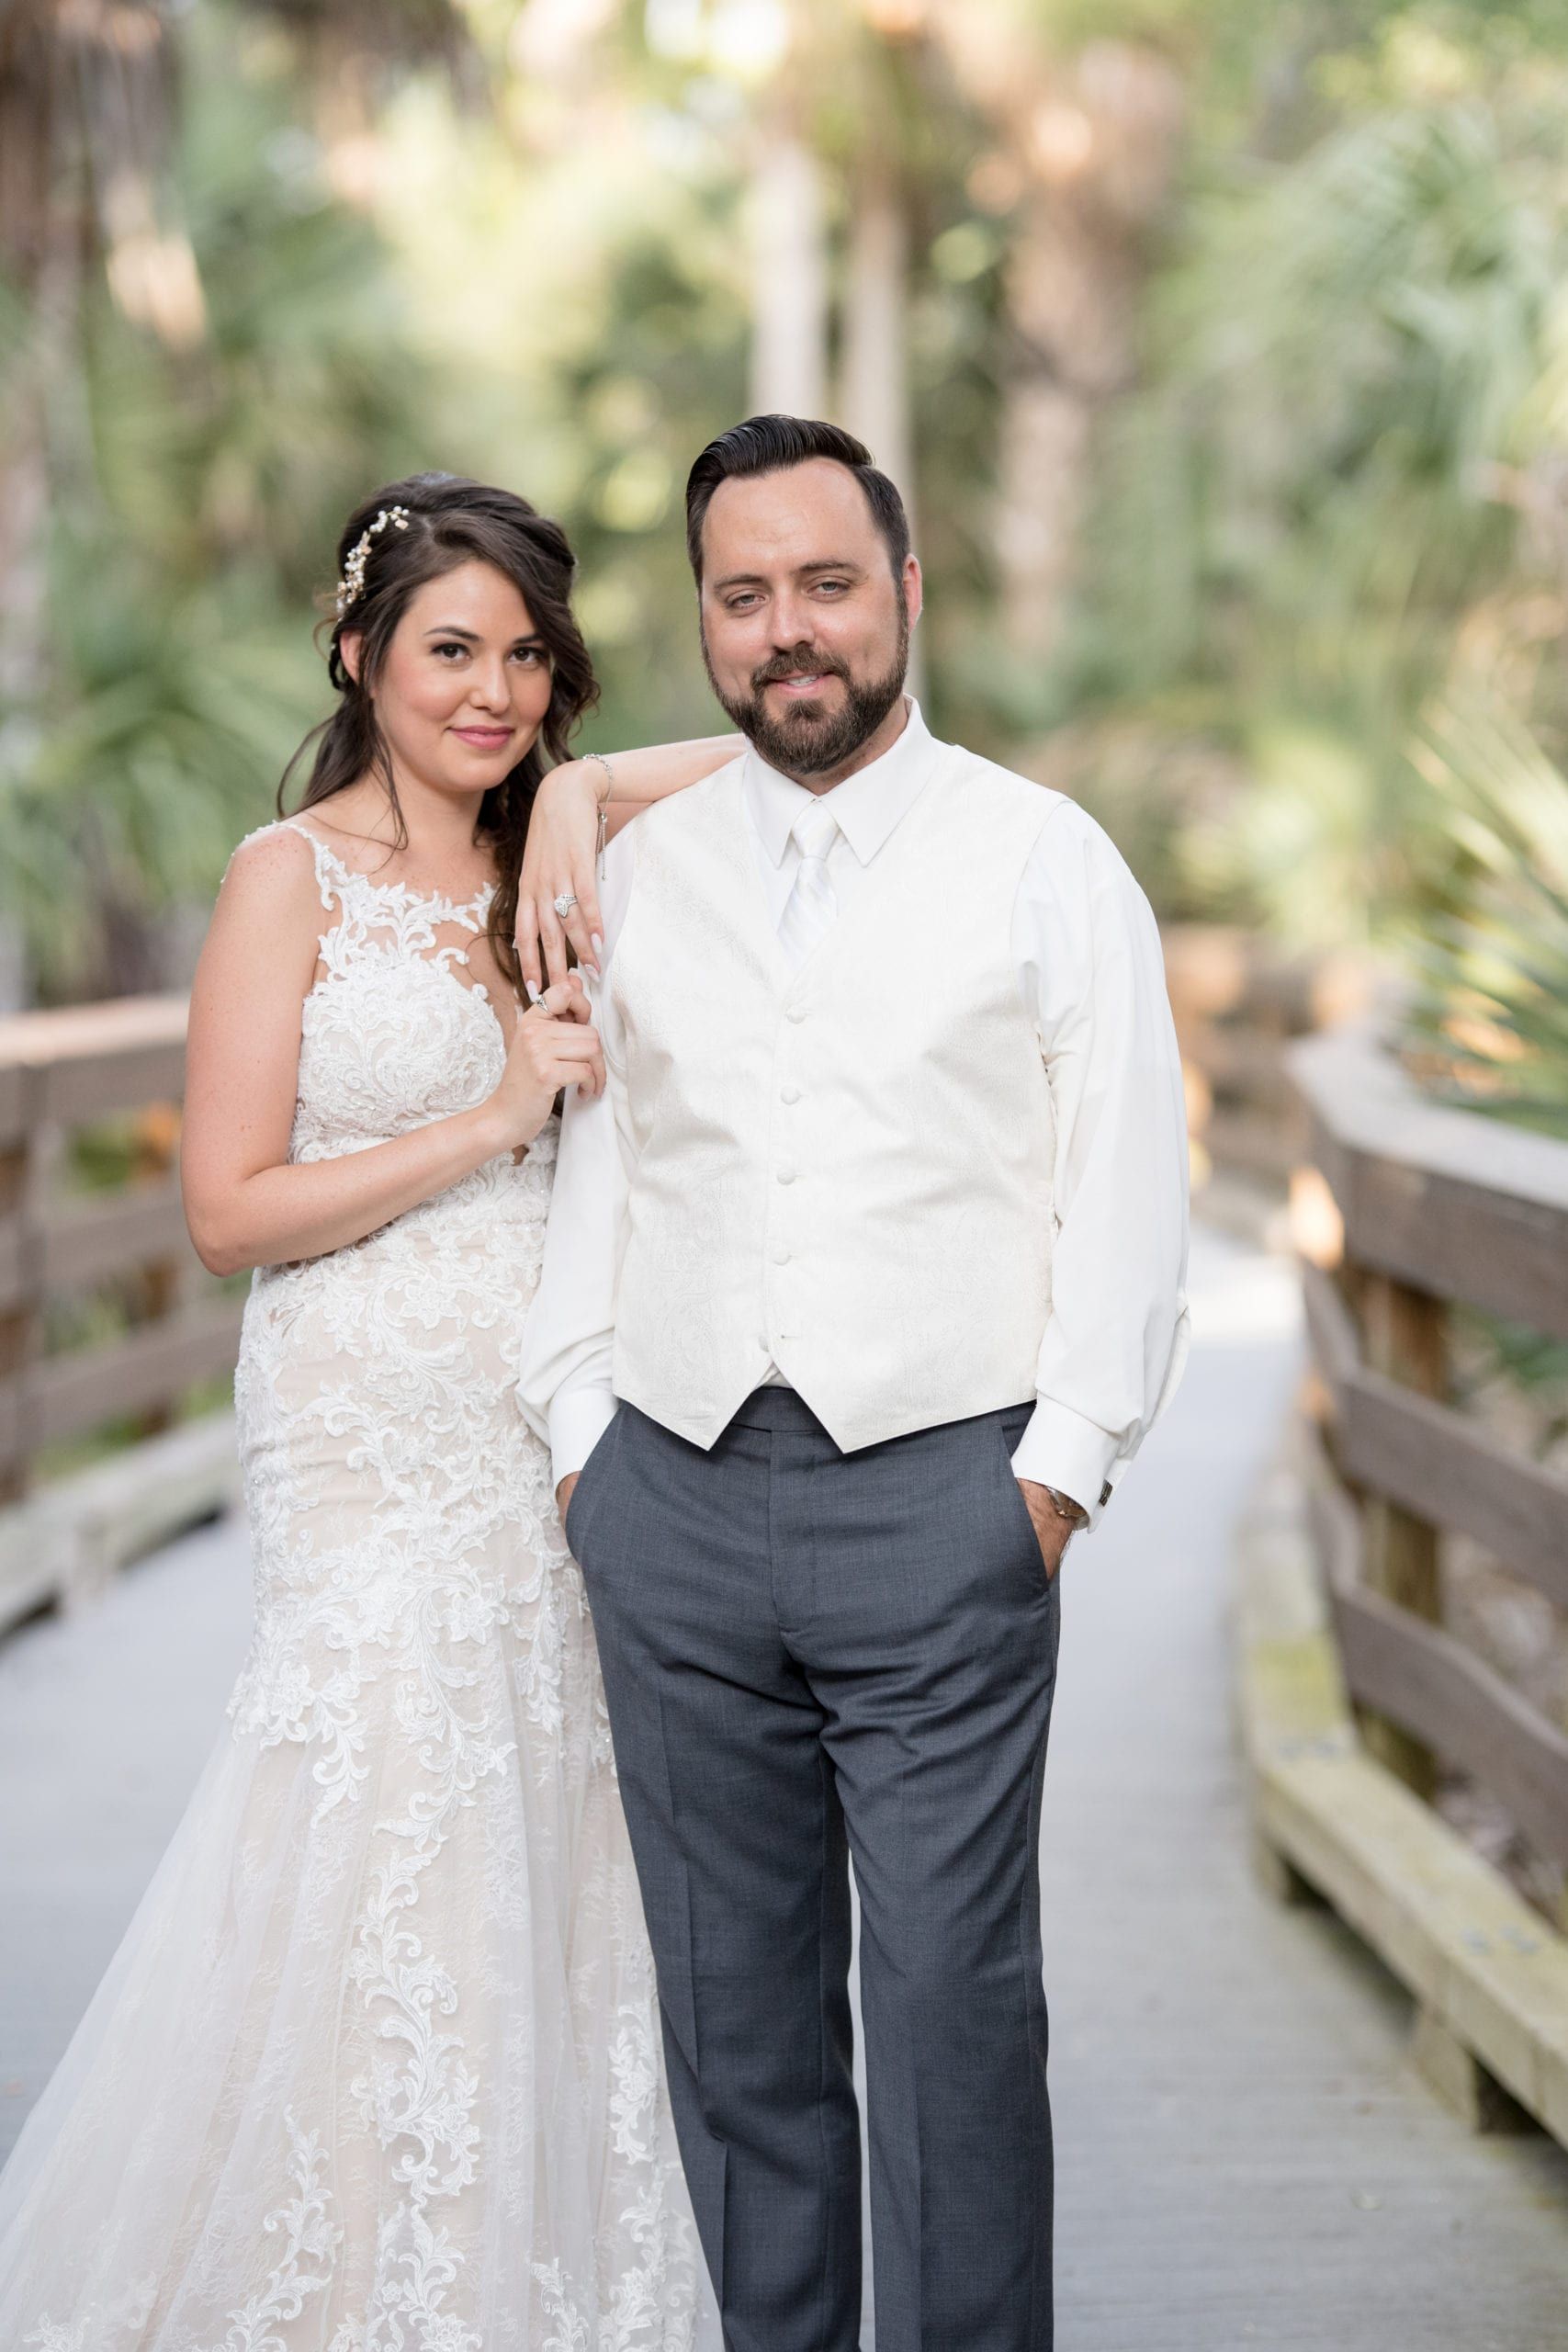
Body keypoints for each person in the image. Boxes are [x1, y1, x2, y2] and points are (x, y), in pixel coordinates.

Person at [0, 472, 732, 2350]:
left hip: (556, 1433)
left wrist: (578, 791)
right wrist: (492, 1115)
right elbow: (226, 1205)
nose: (492, 689)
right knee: (387, 1834)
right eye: (447, 650)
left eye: (525, 656)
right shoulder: (287, 876)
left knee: (543, 1840)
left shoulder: (554, 858)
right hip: (362, 1434)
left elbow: (811, 758)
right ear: (359, 655)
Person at [517, 414, 1192, 2352]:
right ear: (704, 622)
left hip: (944, 1502)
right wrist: (584, 1443)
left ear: (903, 592)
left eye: (825, 584)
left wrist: (1052, 1475)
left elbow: (1124, 1180)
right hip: (673, 1499)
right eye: (743, 595)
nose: (785, 630)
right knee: (739, 2048)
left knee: (954, 2021)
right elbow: (607, 1162)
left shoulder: (1042, 861)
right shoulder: (645, 874)